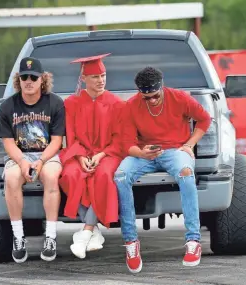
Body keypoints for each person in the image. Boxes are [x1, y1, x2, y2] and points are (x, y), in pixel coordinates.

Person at [114, 66, 212, 273]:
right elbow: (126, 144)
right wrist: (142, 153)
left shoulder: (179, 98)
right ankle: (131, 242)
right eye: (146, 98)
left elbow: (205, 119)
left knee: (186, 173)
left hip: (175, 150)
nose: (151, 101)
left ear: (162, 87)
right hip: (144, 153)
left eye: (155, 96)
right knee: (121, 176)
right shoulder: (131, 106)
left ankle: (193, 240)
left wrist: (189, 144)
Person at [0, 57, 65, 263]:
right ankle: (18, 237)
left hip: (47, 154)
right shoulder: (8, 106)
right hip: (18, 156)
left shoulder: (55, 103)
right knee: (11, 178)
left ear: (42, 79)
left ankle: (50, 237)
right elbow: (8, 142)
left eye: (33, 77)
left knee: (52, 176)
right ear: (19, 80)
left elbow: (57, 141)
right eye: (24, 77)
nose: (29, 81)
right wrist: (23, 161)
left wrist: (41, 161)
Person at [59, 53, 125, 259]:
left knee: (104, 176)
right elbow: (70, 136)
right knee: (70, 175)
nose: (101, 80)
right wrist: (79, 157)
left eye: (103, 75)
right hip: (79, 153)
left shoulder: (116, 103)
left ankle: (86, 230)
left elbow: (119, 138)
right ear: (84, 79)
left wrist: (101, 155)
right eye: (95, 76)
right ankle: (94, 232)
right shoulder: (72, 103)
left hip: (108, 153)